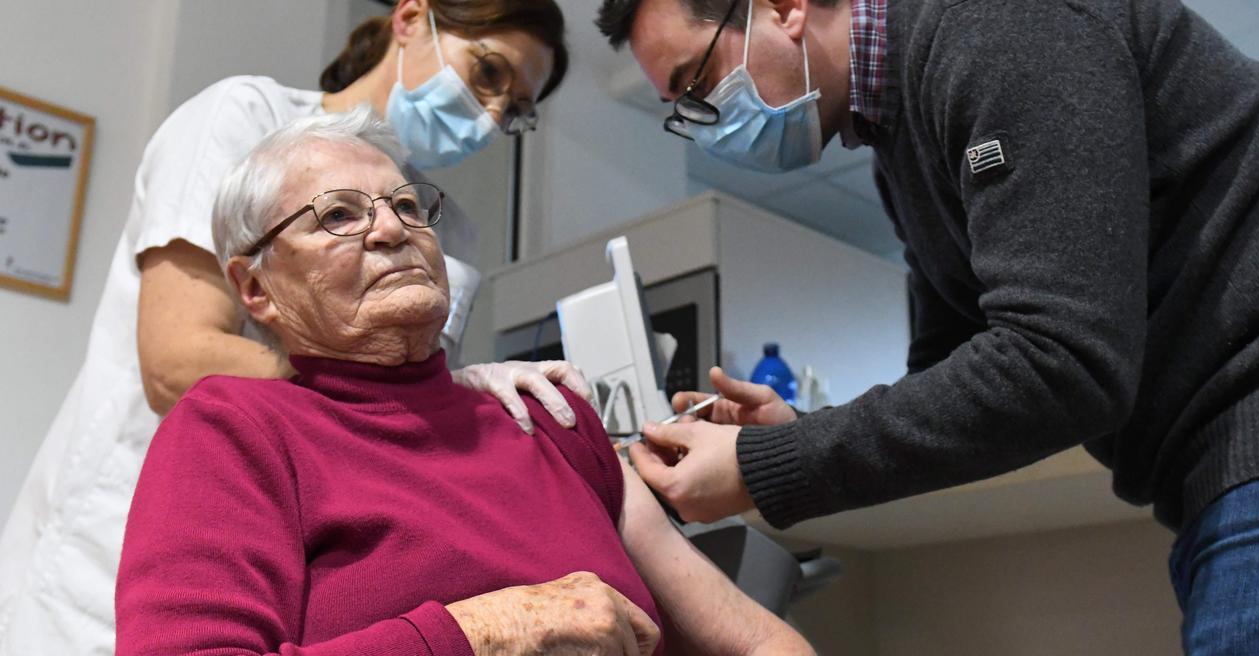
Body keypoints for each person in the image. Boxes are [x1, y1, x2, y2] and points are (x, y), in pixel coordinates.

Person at [596, 0, 1259, 652]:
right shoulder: (898, 145)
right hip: (1208, 477)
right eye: (683, 111)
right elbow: (952, 380)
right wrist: (794, 432)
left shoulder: (1001, 21)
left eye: (698, 85)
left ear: (779, 3)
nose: (705, 128)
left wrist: (771, 467)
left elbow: (1065, 362)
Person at [0, 0, 588, 655]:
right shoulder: (246, 120)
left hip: (310, 576)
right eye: (488, 74)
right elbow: (178, 359)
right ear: (409, 20)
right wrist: (387, 402)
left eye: (516, 108)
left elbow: (409, 413)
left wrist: (461, 389)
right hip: (121, 549)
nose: (492, 116)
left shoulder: (449, 229)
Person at [114, 106, 814, 655]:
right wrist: (482, 633)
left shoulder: (553, 420)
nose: (393, 230)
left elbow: (754, 639)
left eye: (409, 206)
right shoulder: (234, 429)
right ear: (256, 288)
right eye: (338, 215)